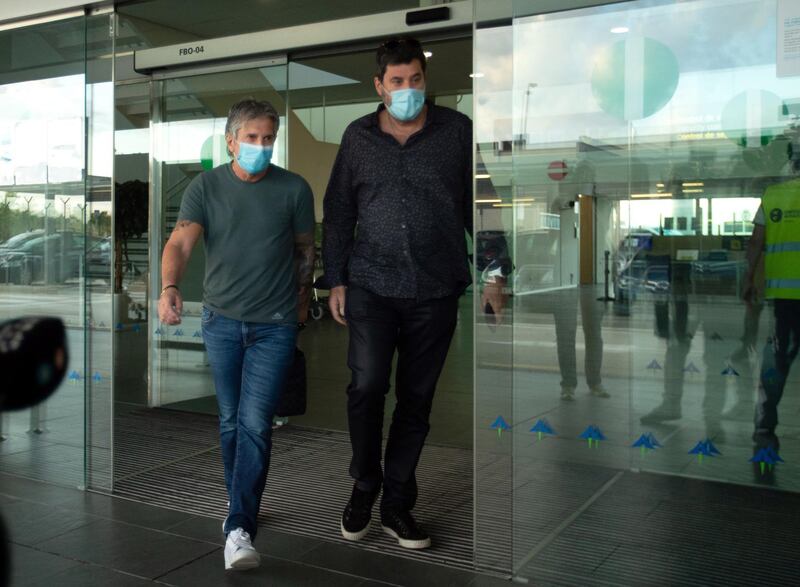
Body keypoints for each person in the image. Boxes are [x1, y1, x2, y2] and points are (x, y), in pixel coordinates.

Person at [322, 37, 505, 550]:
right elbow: (338, 211)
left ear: (426, 81)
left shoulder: (456, 132)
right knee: (366, 385)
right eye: (397, 82)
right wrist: (335, 277)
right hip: (371, 285)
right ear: (379, 86)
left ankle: (397, 502)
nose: (408, 90)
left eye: (416, 80)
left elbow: (482, 202)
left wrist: (495, 272)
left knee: (416, 400)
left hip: (436, 286)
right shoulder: (357, 138)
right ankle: (364, 483)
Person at [158, 98, 315, 571]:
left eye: (269, 139)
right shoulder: (206, 187)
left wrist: (301, 308)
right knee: (230, 421)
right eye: (252, 138)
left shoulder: (294, 188)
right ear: (231, 140)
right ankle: (239, 509)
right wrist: (168, 287)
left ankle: (239, 524)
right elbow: (181, 241)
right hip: (222, 322)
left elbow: (305, 251)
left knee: (254, 423)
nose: (261, 147)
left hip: (274, 326)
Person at [744, 166, 800, 451]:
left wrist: (749, 278)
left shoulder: (774, 195)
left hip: (785, 298)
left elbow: (756, 242)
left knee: (777, 363)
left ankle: (765, 425)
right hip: (785, 298)